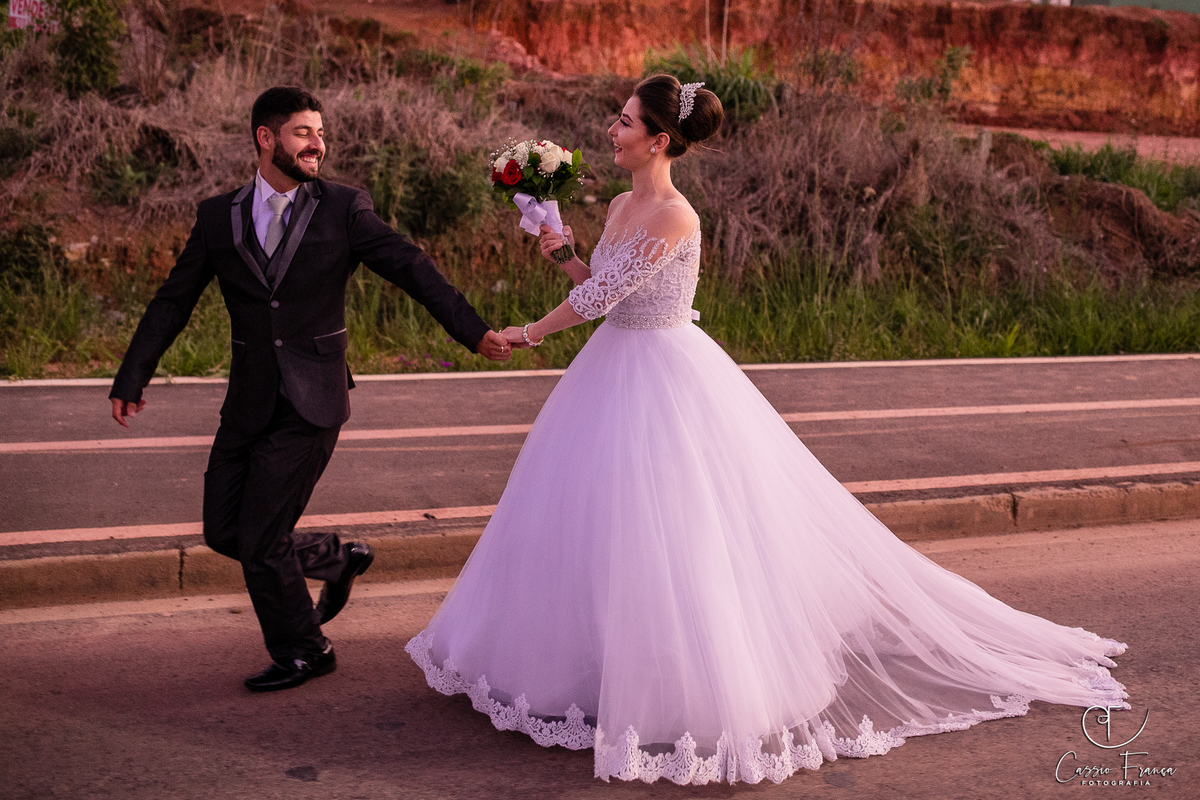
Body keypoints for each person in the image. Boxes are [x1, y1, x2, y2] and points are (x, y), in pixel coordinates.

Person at [404, 75, 1128, 785]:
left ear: (660, 140)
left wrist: (524, 334)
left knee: (673, 534)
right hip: (612, 368)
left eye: (623, 122)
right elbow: (598, 279)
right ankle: (584, 667)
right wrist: (559, 242)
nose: (610, 131)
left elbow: (601, 298)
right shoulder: (626, 203)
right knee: (592, 522)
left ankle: (677, 686)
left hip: (664, 377)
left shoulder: (676, 216)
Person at [110, 86, 513, 693]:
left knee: (261, 539)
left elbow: (412, 267)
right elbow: (174, 300)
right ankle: (331, 557)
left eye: (320, 133)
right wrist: (132, 374)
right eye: (303, 132)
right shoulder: (218, 217)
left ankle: (305, 650)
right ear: (265, 138)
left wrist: (474, 331)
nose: (318, 144)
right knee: (224, 531)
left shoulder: (343, 209)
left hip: (314, 399)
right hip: (248, 401)